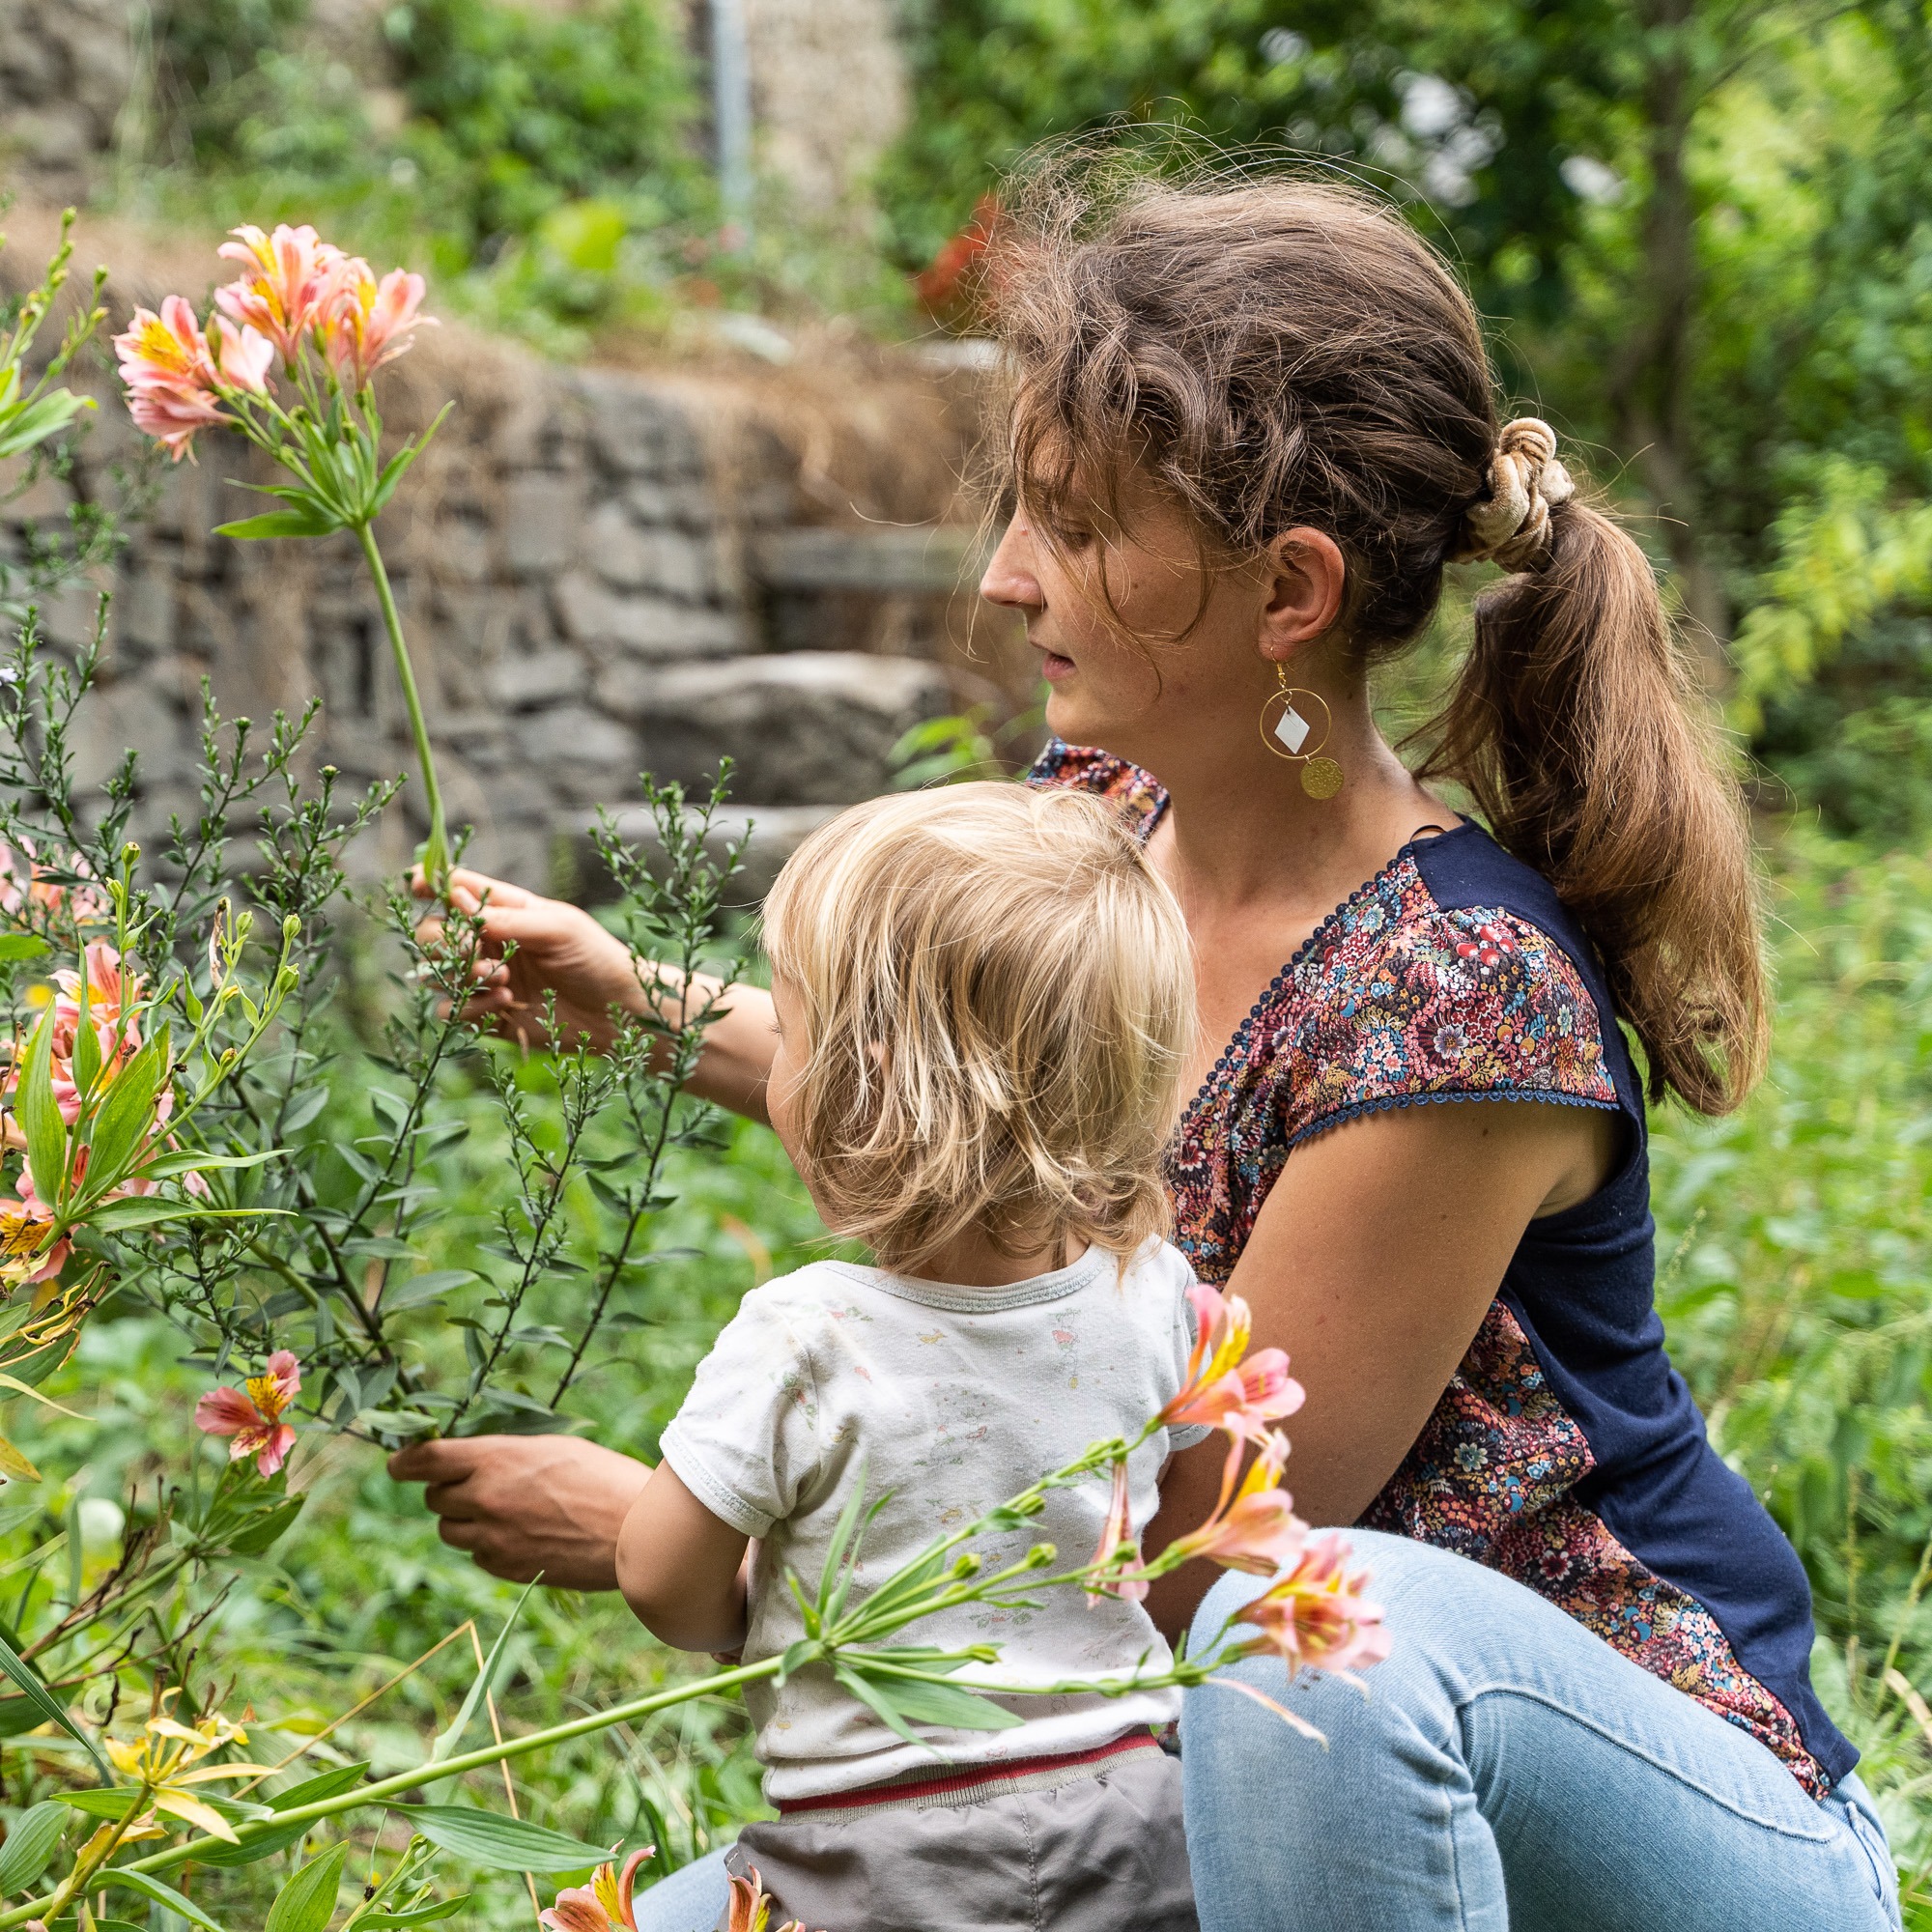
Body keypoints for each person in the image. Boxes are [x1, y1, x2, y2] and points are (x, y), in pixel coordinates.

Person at [394, 175, 1900, 1931]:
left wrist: (680, 1534)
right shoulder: (1104, 819)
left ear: (1289, 593)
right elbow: (982, 1121)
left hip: (1625, 1813)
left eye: (1078, 525)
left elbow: (1181, 1556)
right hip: (1212, 1785)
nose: (1004, 575)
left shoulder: (1455, 1000)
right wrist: (629, 1001)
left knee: (1315, 1630)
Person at [612, 781, 1210, 1931]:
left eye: (786, 1031)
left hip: (875, 1858)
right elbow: (1195, 1500)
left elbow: (658, 1579)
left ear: (866, 1077)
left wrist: (756, 1603)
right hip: (1142, 1825)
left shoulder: (805, 1334)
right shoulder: (1157, 1294)